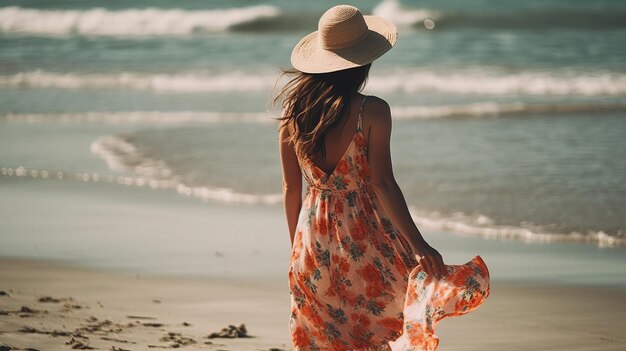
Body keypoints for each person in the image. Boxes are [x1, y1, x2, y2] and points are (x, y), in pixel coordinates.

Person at [274, 4, 445, 350]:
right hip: (364, 236)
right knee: (383, 327)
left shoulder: (293, 118)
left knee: (326, 334)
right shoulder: (373, 111)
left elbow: (292, 189)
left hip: (311, 241)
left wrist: (297, 249)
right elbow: (383, 183)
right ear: (363, 62)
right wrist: (419, 245)